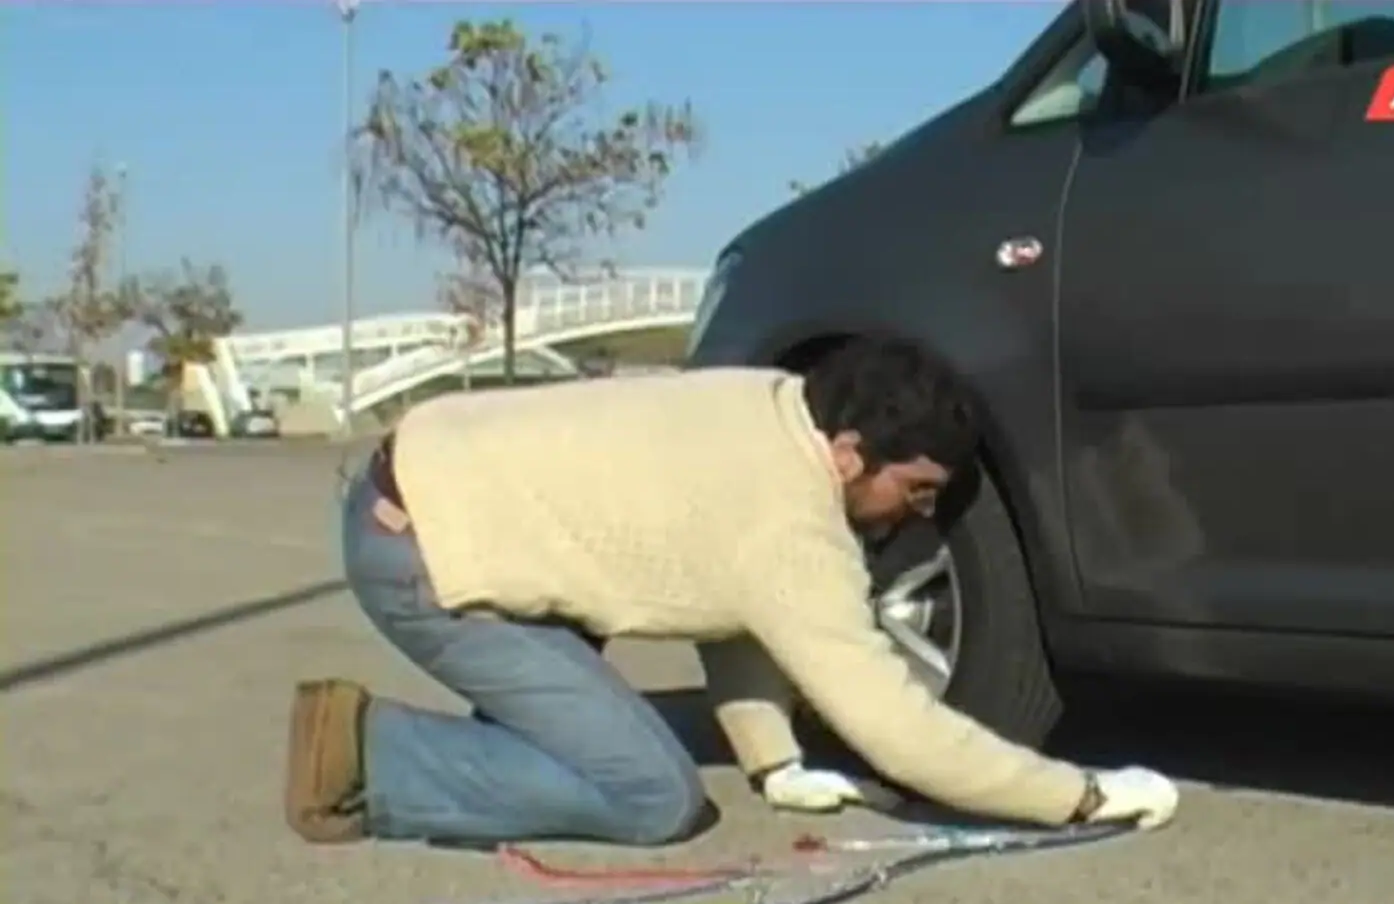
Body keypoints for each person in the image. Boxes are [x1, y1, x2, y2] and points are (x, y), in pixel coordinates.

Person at [283, 337, 1180, 847]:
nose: (919, 517)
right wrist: (1079, 795)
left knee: (604, 756)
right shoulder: (793, 523)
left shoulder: (775, 404)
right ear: (848, 454)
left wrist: (774, 761)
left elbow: (734, 602)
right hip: (429, 558)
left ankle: (509, 754)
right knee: (653, 798)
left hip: (435, 503)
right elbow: (900, 732)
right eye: (914, 490)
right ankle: (368, 759)